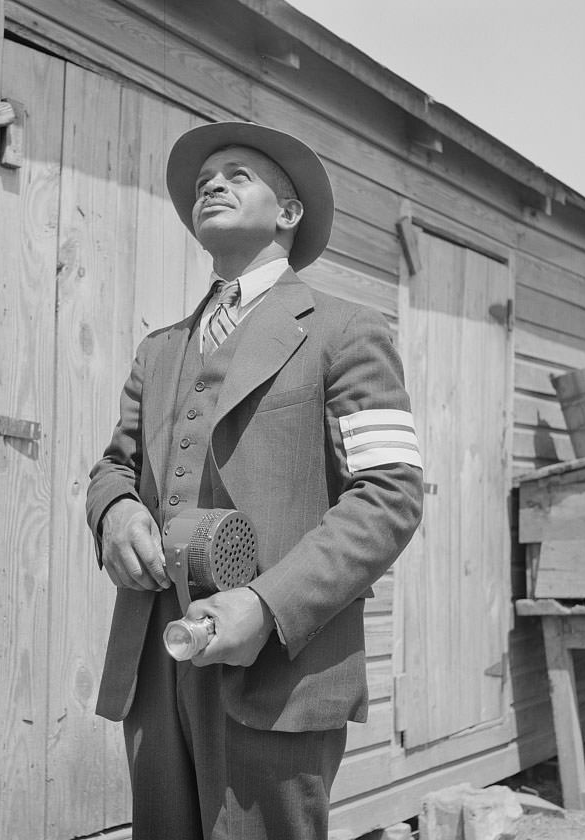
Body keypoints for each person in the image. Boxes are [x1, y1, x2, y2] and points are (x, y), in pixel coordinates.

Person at [86, 121, 424, 840]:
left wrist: (267, 607)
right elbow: (114, 466)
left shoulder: (346, 331)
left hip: (277, 672)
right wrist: (114, 512)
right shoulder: (160, 349)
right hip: (154, 662)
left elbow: (391, 495)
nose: (213, 183)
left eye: (238, 174)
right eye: (206, 177)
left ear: (289, 212)